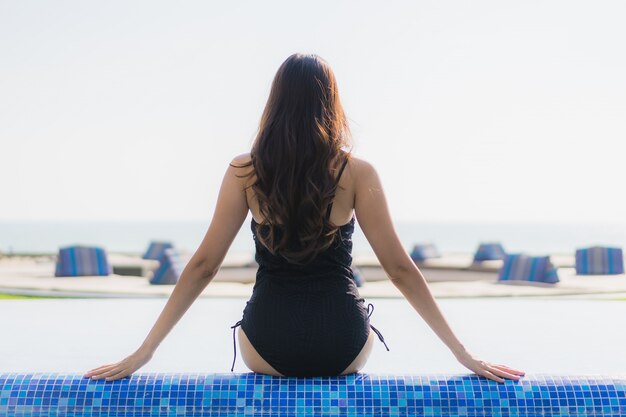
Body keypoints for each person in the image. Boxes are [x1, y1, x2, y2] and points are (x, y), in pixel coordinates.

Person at [84, 53, 525, 383]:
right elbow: (398, 269)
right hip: (344, 345)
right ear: (330, 102)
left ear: (275, 103)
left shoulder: (245, 170)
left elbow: (203, 265)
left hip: (267, 344)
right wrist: (463, 354)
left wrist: (143, 353)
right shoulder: (356, 172)